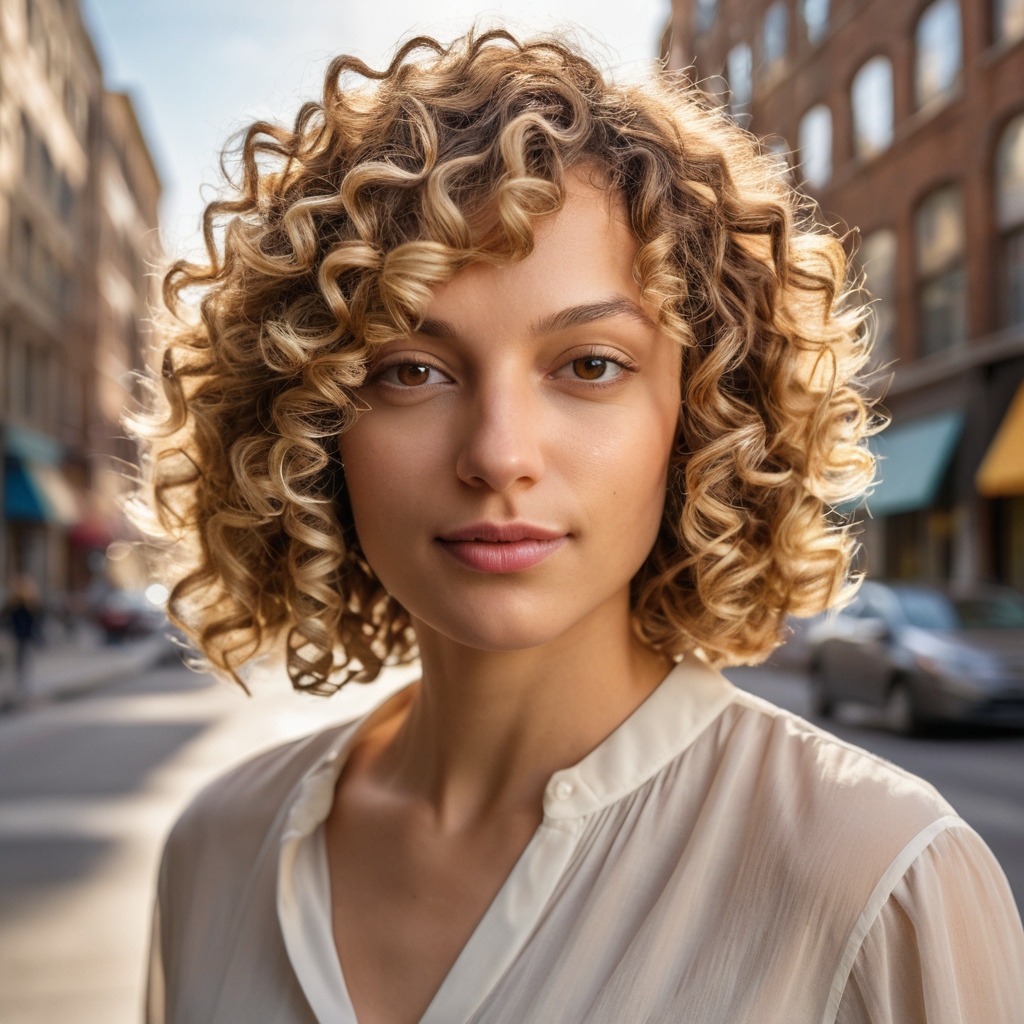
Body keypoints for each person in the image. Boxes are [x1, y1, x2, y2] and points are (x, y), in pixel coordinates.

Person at [137, 30, 1024, 1024]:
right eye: (410, 369)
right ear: (306, 424)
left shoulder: (876, 884)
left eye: (589, 364)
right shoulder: (216, 848)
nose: (499, 452)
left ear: (698, 416)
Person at [1, 574, 42, 709]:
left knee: (21, 661)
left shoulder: (25, 603)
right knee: (21, 661)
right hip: (21, 636)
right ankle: (22, 685)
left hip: (20, 636)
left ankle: (22, 685)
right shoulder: (24, 603)